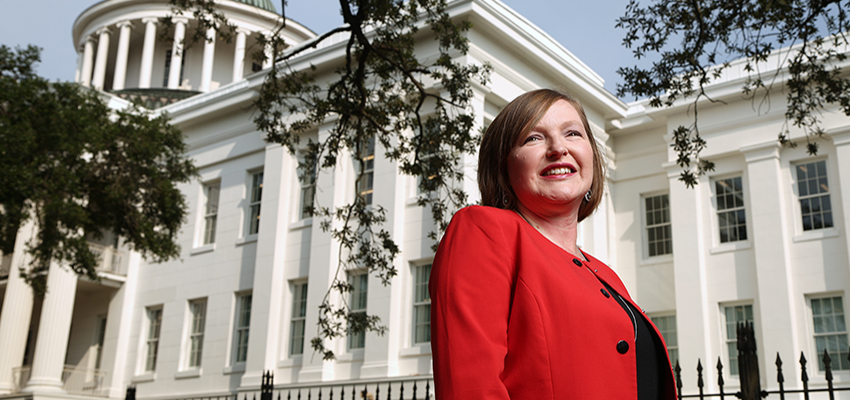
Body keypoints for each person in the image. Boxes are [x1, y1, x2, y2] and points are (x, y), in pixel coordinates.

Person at [429, 89, 677, 399]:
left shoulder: (606, 276)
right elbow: (470, 388)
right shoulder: (483, 231)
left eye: (573, 133)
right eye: (533, 138)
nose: (558, 148)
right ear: (504, 166)